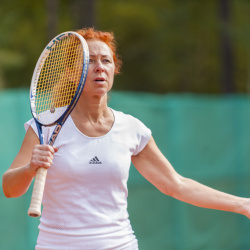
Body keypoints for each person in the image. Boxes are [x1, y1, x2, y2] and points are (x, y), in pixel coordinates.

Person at [2, 27, 250, 250]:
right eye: (89, 61)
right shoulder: (44, 126)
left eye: (106, 60)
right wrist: (30, 168)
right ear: (69, 73)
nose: (99, 66)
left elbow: (176, 185)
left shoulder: (131, 129)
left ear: (113, 70)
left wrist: (242, 204)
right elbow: (10, 189)